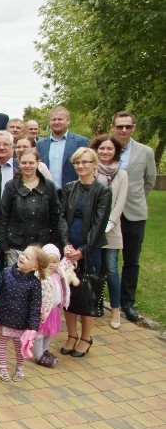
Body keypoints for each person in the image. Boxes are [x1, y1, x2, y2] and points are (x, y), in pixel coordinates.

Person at [59, 147, 112, 359]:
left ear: (94, 164)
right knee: (68, 293)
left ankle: (86, 337)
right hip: (69, 248)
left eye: (86, 162)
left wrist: (82, 250)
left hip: (89, 251)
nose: (81, 166)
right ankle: (71, 334)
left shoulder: (102, 191)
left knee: (87, 293)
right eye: (77, 162)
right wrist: (66, 245)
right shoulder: (70, 187)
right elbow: (61, 217)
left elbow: (99, 224)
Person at [111, 111, 156, 323]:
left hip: (134, 212)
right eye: (120, 126)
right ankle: (105, 300)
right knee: (107, 260)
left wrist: (136, 198)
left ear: (133, 128)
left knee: (131, 259)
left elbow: (150, 181)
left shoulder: (145, 152)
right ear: (113, 127)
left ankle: (127, 302)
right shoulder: (105, 148)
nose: (123, 130)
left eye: (127, 126)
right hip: (109, 212)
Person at [0, 148, 62, 267]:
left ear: (38, 163)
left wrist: (54, 243)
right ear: (19, 163)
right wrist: (4, 242)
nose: (27, 166)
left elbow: (56, 216)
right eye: (24, 162)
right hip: (16, 245)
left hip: (42, 244)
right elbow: (4, 215)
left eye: (31, 162)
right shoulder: (11, 186)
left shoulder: (49, 186)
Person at [0, 245, 47, 382]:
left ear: (35, 267)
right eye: (23, 254)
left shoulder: (34, 283)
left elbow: (35, 307)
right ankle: (2, 366)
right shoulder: (6, 272)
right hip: (4, 316)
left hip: (21, 322)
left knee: (20, 345)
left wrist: (33, 327)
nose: (22, 257)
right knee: (1, 342)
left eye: (27, 257)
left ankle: (20, 367)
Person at [90, 134, 128, 329]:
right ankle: (93, 304)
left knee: (112, 269)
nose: (105, 152)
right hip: (92, 228)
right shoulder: (91, 170)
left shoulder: (121, 174)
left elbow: (120, 202)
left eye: (109, 149)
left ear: (116, 151)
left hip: (111, 229)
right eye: (102, 148)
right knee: (94, 268)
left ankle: (115, 309)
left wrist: (109, 224)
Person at [35, 106, 89, 188]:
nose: (56, 122)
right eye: (53, 119)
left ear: (68, 121)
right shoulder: (40, 145)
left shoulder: (81, 142)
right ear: (49, 122)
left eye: (60, 119)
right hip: (46, 194)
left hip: (73, 193)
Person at [34, 244, 68, 367]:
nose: (51, 264)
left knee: (49, 332)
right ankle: (38, 355)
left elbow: (66, 263)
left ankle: (44, 350)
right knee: (40, 333)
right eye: (48, 261)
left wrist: (69, 255)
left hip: (54, 310)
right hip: (43, 311)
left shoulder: (58, 274)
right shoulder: (40, 276)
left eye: (54, 262)